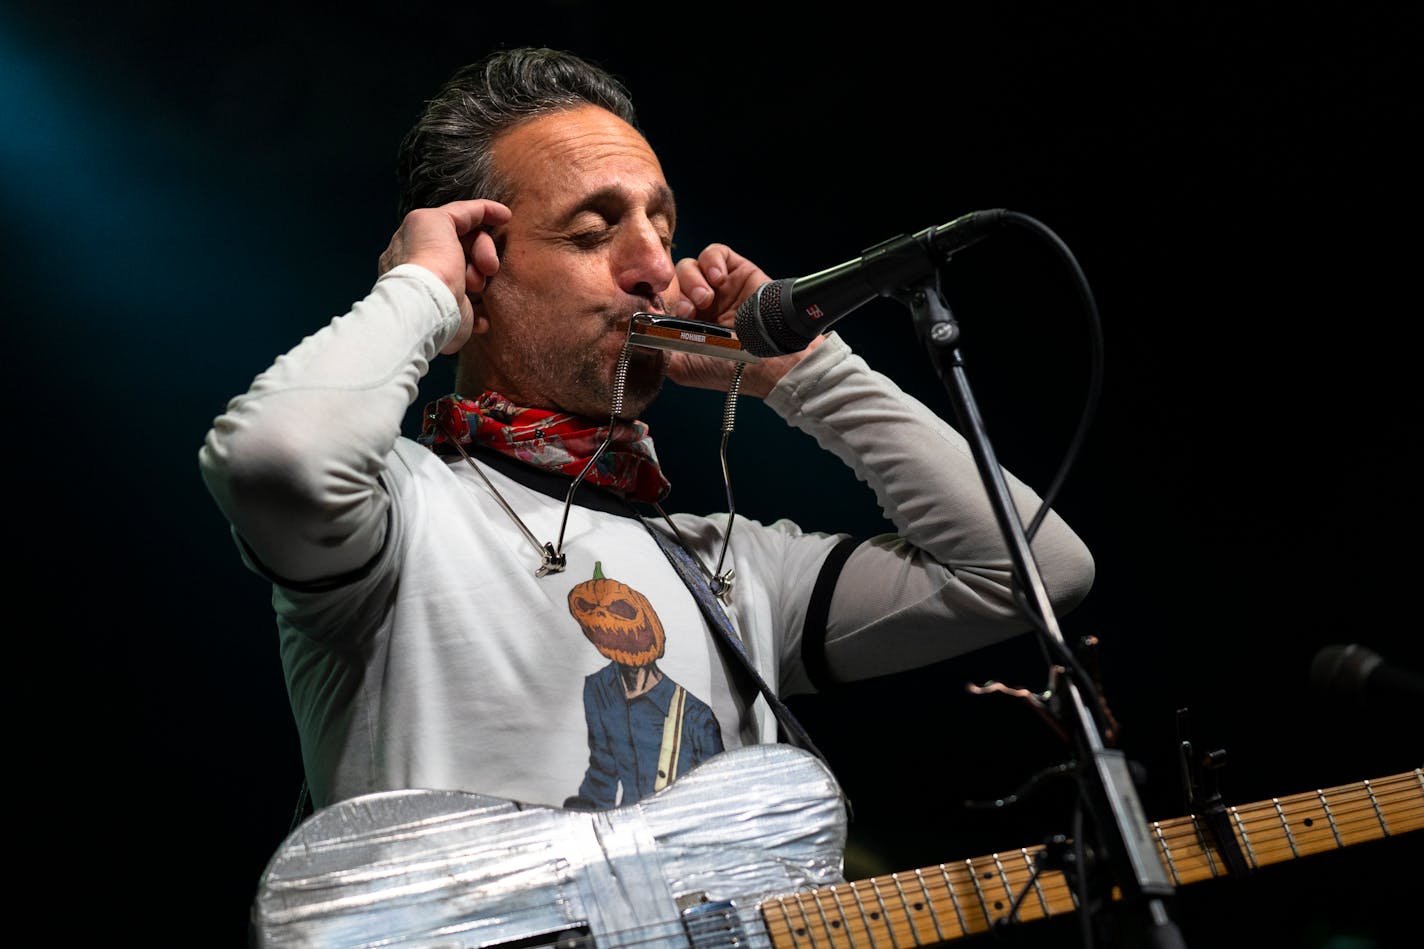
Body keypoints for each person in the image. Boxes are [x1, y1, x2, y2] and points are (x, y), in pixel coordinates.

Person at [198, 47, 1095, 819]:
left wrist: (805, 372)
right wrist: (424, 292)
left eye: (661, 226)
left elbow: (1036, 570)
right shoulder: (398, 514)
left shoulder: (732, 568)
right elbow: (278, 458)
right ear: (482, 275)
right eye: (595, 232)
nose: (654, 266)